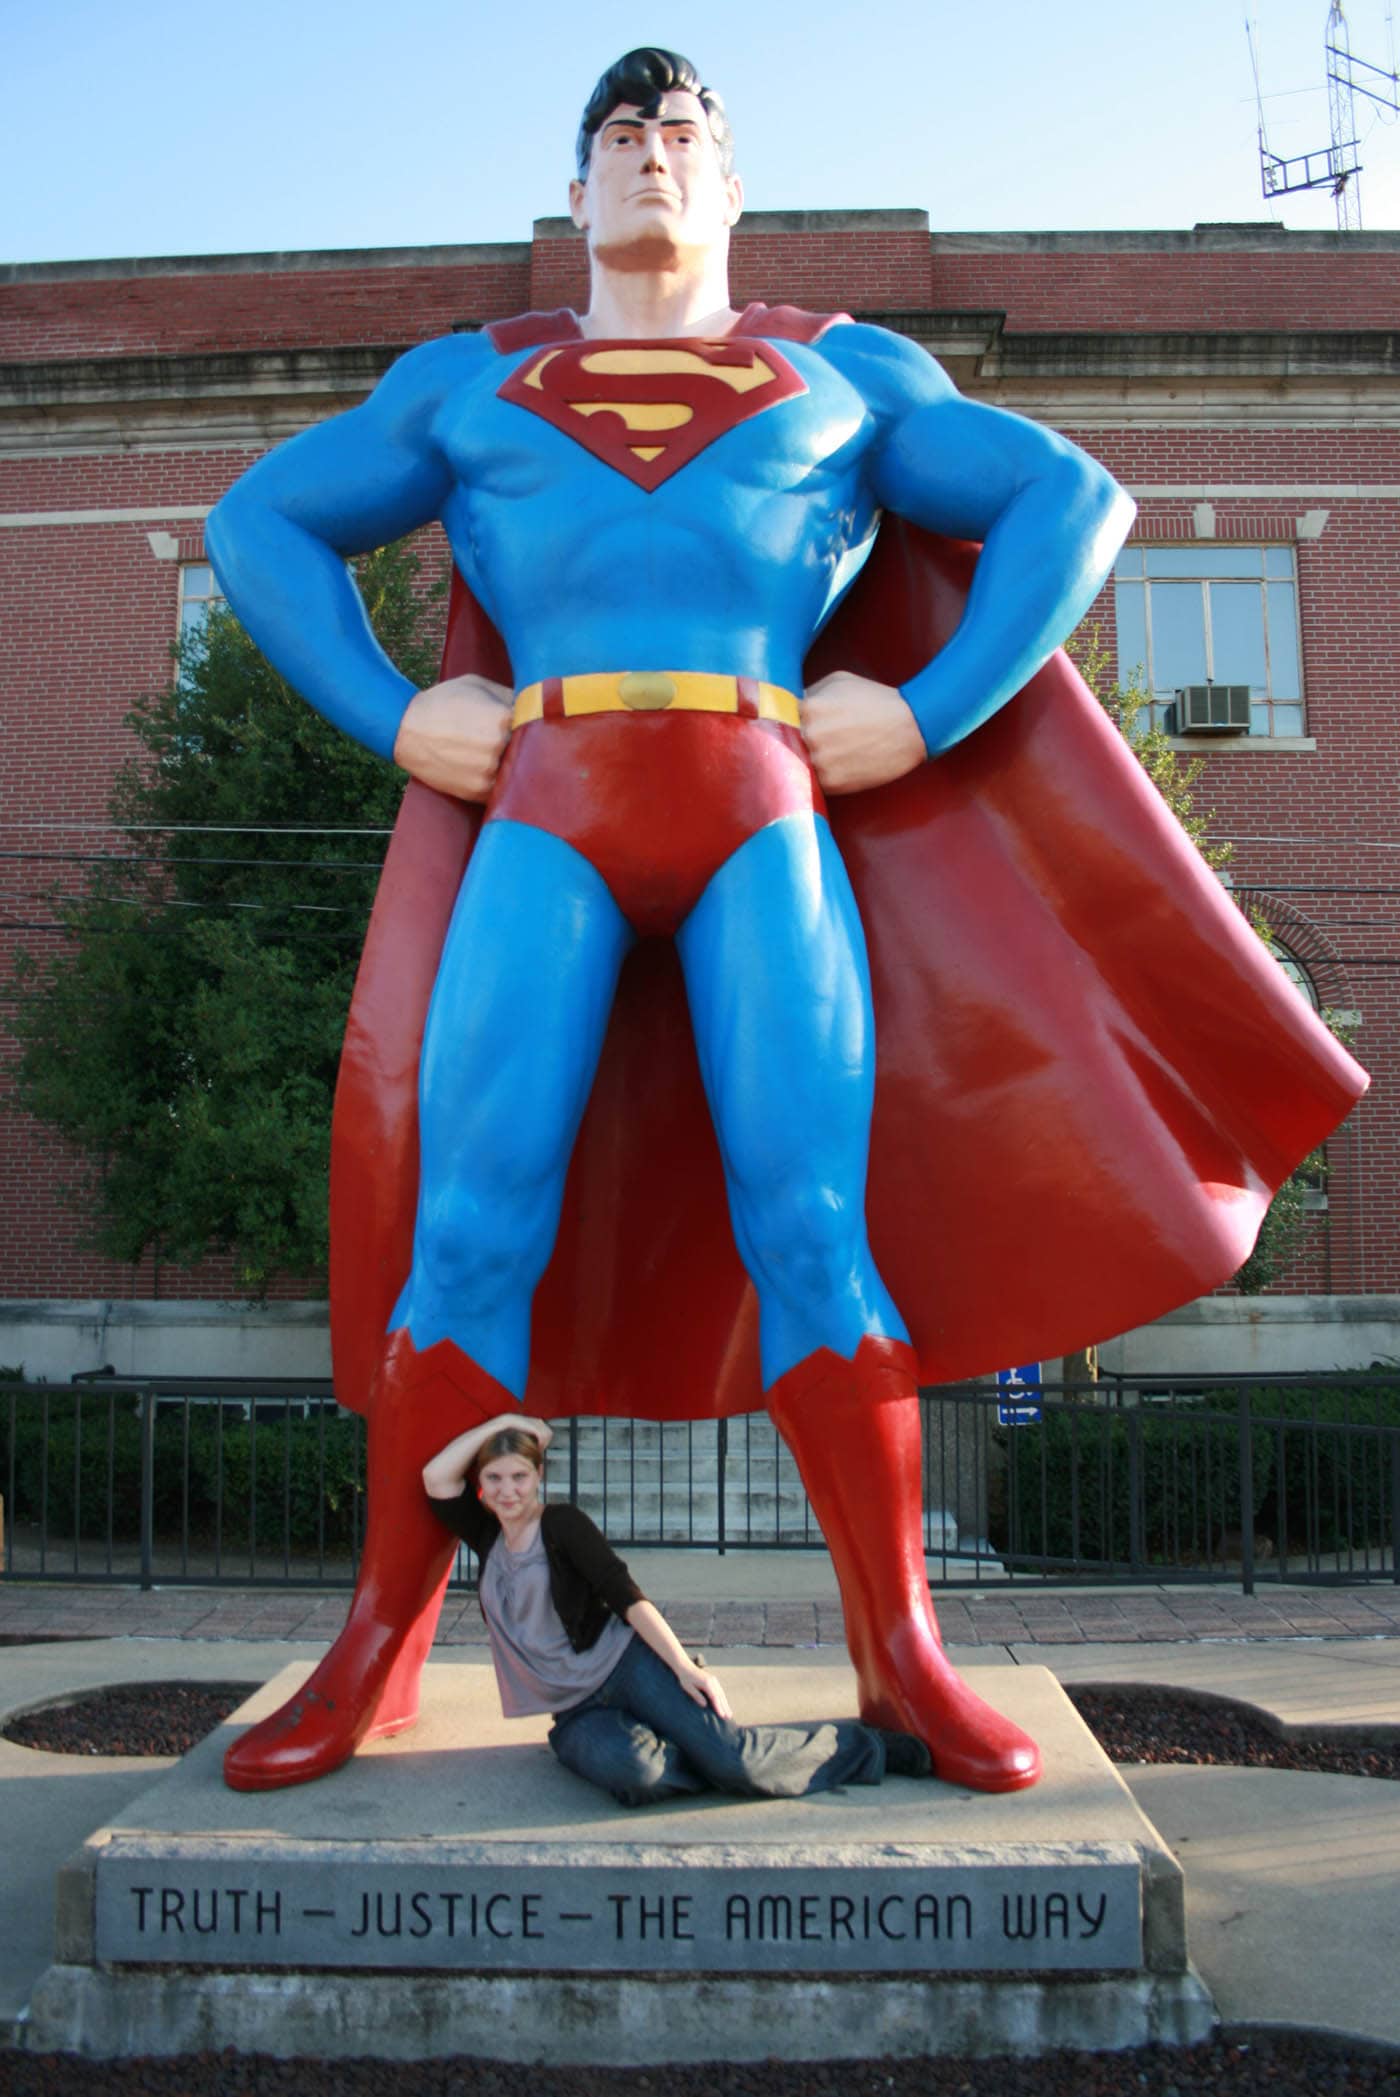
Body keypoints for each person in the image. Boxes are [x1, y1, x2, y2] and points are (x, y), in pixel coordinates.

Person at [207, 46, 1136, 1798]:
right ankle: (375, 1656)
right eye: (621, 135)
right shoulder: (471, 382)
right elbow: (258, 522)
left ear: (730, 184)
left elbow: (1073, 504)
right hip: (550, 814)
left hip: (756, 807)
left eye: (684, 134)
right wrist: (391, 709)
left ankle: (907, 1664)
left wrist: (929, 708)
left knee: (816, 1229)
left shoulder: (842, 368)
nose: (652, 155)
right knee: (464, 1232)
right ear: (577, 192)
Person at [421, 1417, 931, 1804]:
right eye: (495, 1478)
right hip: (575, 1709)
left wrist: (683, 1666)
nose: (509, 1490)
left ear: (538, 1476)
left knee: (740, 1765)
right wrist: (500, 1426)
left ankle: (870, 1749)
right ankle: (704, 1748)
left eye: (520, 1476)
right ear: (482, 1486)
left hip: (625, 1668)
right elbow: (435, 1476)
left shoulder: (562, 1525)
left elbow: (626, 1596)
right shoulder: (487, 1535)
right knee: (638, 1778)